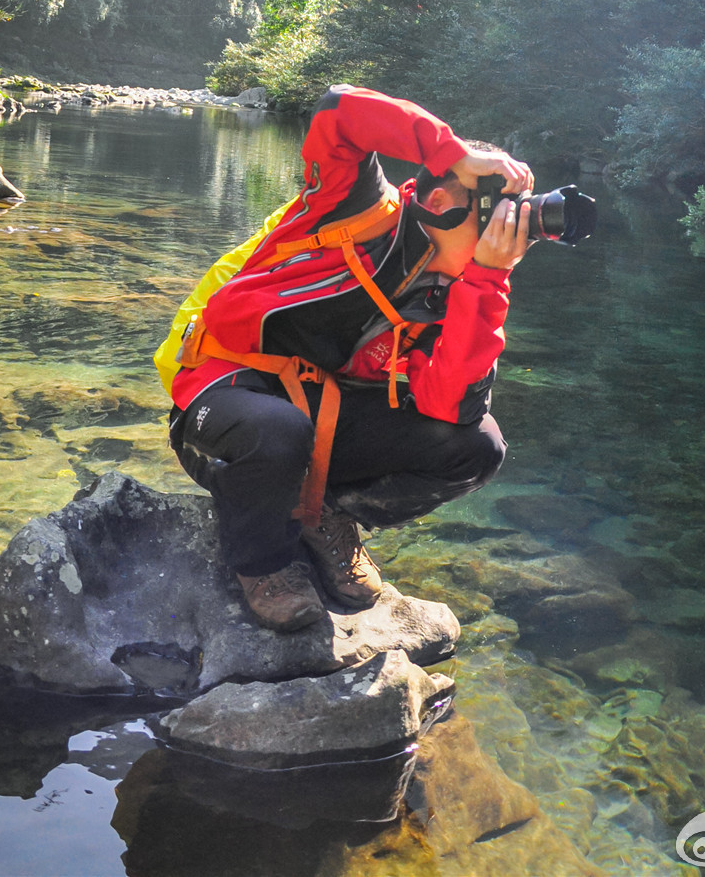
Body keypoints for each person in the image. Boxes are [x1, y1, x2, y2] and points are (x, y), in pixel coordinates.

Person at [166, 84, 535, 631]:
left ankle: (323, 513)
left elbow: (450, 407)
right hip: (224, 400)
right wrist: (450, 150)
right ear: (439, 203)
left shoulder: (462, 293)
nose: (507, 229)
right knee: (278, 429)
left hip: (317, 420)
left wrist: (489, 279)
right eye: (495, 212)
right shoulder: (356, 205)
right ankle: (263, 565)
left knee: (476, 446)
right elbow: (336, 111)